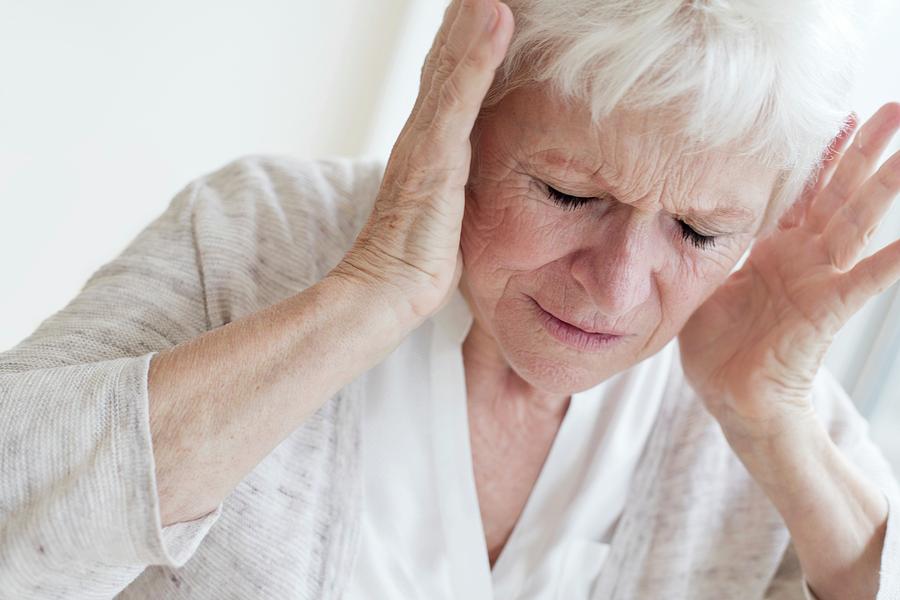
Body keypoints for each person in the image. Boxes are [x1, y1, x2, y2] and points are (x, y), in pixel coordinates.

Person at [2, 0, 899, 598]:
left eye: (699, 233)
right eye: (567, 194)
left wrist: (775, 427)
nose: (616, 286)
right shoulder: (256, 233)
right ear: (461, 116)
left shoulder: (743, 363)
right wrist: (369, 295)